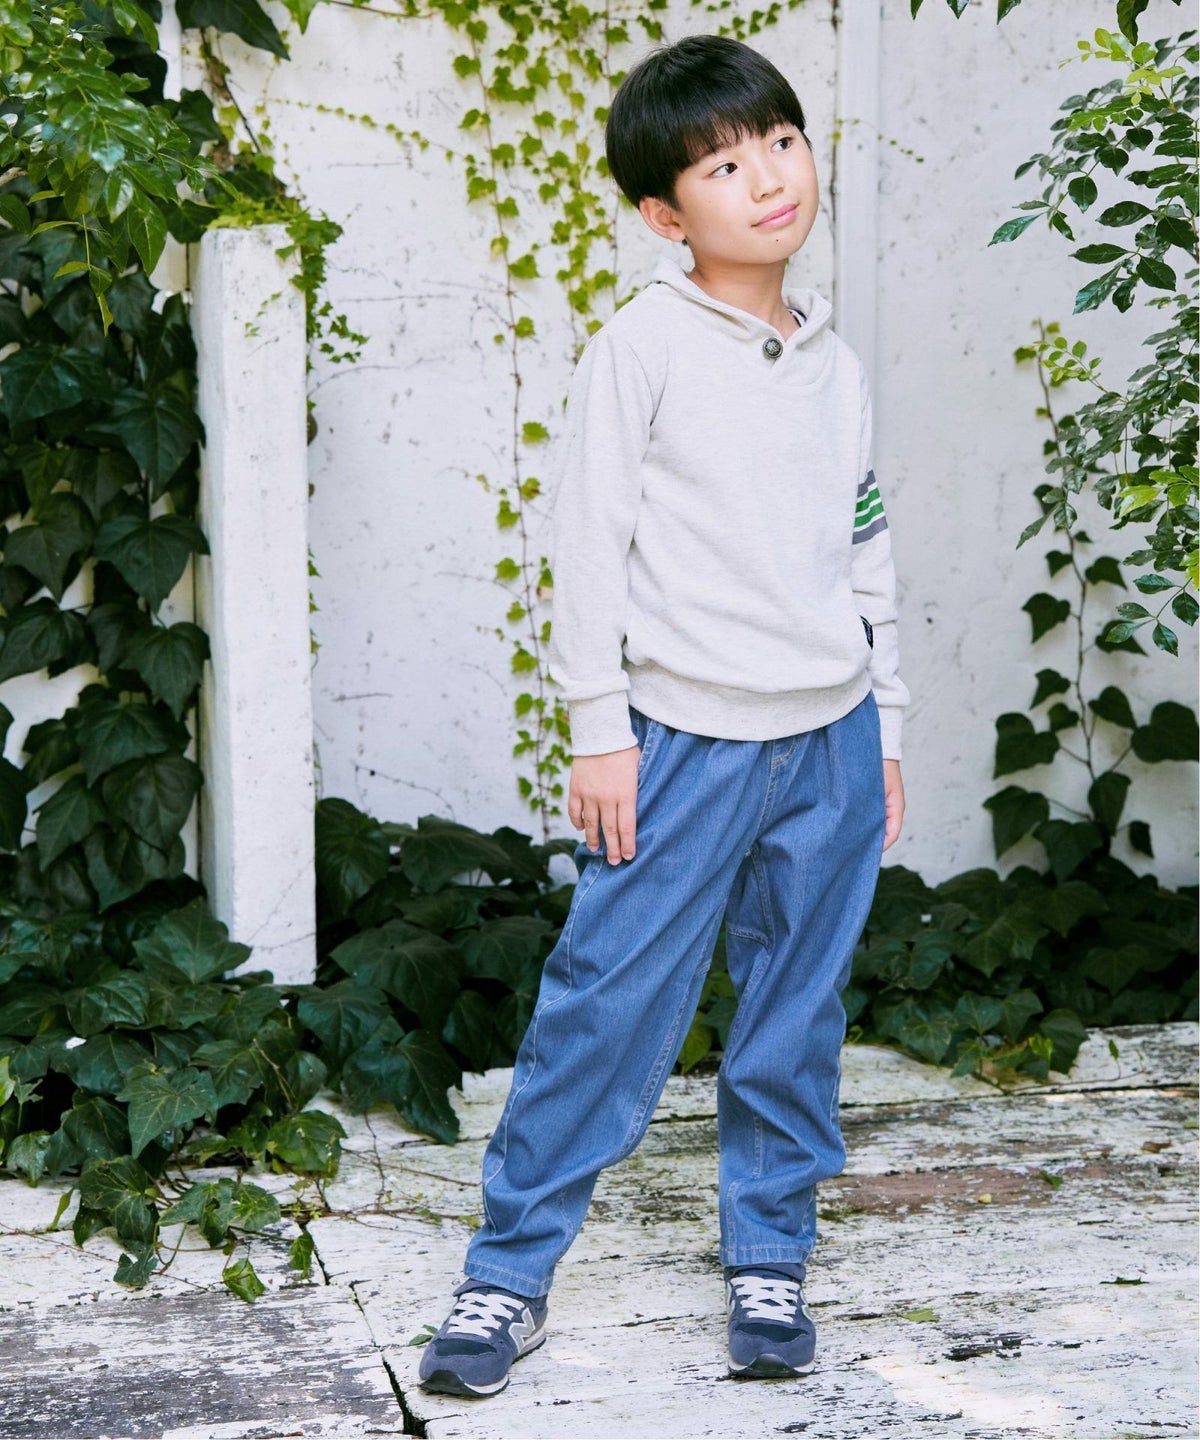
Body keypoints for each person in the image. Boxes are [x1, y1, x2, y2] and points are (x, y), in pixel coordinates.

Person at [418, 31, 909, 1399]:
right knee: (607, 1004)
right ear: (663, 213)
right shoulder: (641, 348)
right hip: (683, 742)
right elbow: (589, 545)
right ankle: (506, 1276)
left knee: (795, 1011)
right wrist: (600, 728)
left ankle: (770, 1254)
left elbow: (867, 552)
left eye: (783, 143)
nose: (771, 179)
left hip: (831, 739)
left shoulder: (834, 363)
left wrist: (889, 730)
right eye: (725, 165)